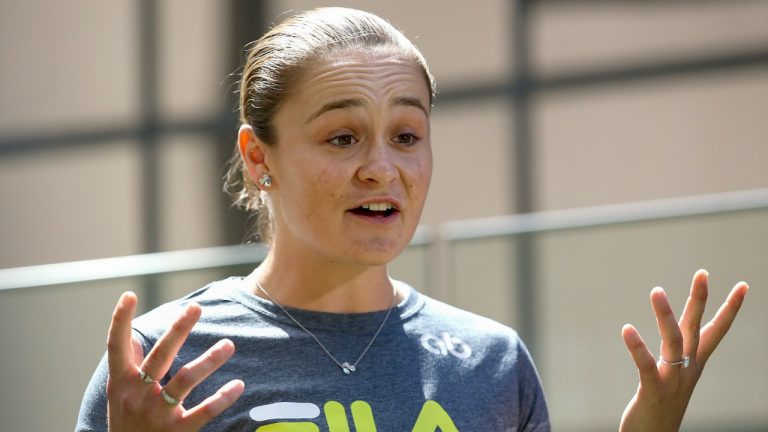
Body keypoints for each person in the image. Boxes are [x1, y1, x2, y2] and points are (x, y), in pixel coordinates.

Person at [76, 7, 749, 432]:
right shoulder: (161, 361)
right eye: (343, 138)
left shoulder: (491, 362)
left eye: (405, 136)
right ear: (258, 157)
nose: (381, 168)